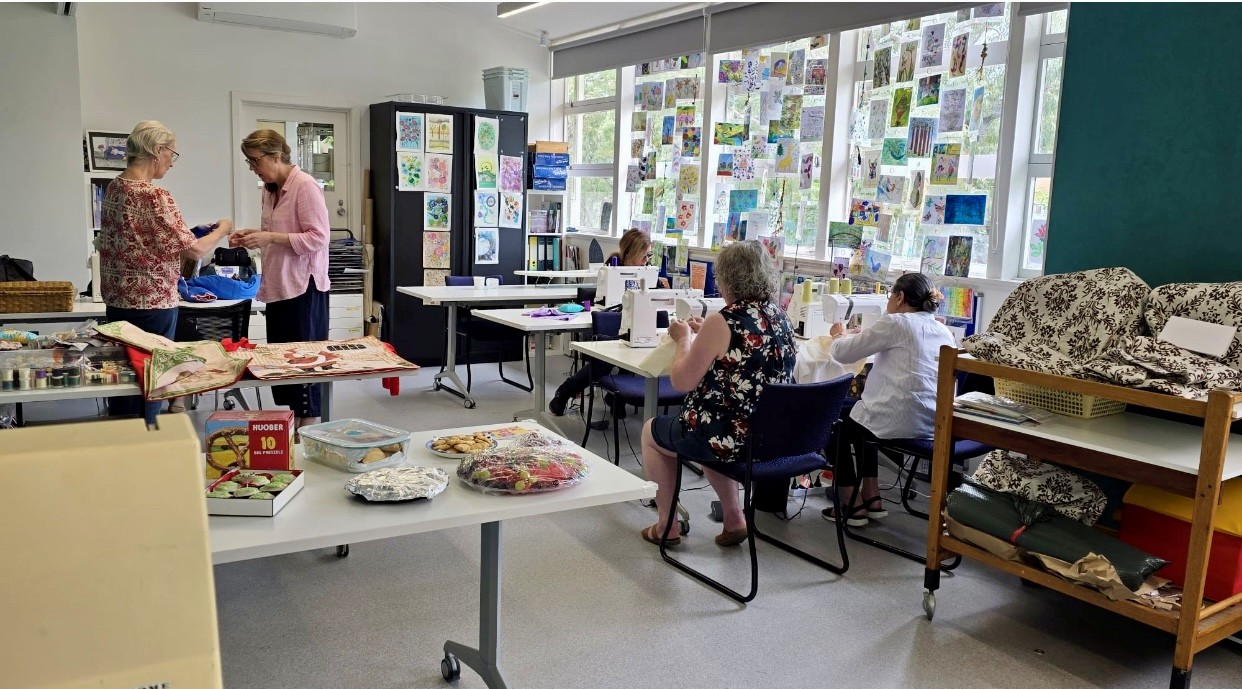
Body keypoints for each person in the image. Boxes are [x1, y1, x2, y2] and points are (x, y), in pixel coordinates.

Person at [638, 241, 797, 547]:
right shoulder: (779, 315)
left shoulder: (724, 320)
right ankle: (734, 518)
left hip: (732, 440)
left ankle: (666, 525)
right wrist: (705, 335)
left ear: (725, 278)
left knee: (652, 433)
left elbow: (682, 381)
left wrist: (685, 338)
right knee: (715, 427)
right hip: (773, 439)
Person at [99, 120, 233, 420]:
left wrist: (191, 230)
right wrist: (223, 229)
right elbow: (196, 250)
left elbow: (143, 237)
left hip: (118, 302)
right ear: (157, 151)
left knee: (125, 383)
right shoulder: (155, 196)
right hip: (153, 304)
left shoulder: (115, 188)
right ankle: (146, 446)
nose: (172, 162)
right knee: (151, 383)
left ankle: (123, 444)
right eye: (172, 153)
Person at [823, 272, 955, 527]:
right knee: (861, 413)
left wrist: (838, 334)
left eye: (889, 296)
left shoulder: (896, 323)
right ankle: (872, 497)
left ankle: (851, 503)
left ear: (900, 297)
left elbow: (844, 354)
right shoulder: (943, 329)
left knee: (831, 418)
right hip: (931, 423)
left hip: (898, 419)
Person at [232, 129, 331, 430]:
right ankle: (297, 437)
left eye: (255, 161)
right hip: (279, 285)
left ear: (276, 157)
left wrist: (270, 236)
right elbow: (276, 236)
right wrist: (253, 236)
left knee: (305, 368)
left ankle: (308, 433)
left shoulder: (305, 186)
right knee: (284, 366)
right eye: (249, 162)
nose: (253, 168)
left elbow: (319, 237)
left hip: (303, 288)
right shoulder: (270, 188)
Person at [548, 228, 665, 419]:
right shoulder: (613, 265)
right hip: (610, 322)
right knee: (603, 365)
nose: (646, 261)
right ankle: (565, 391)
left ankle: (616, 398)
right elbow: (605, 299)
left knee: (635, 354)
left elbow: (654, 295)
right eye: (643, 256)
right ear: (630, 253)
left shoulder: (647, 269)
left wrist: (661, 287)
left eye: (648, 256)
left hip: (634, 323)